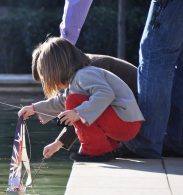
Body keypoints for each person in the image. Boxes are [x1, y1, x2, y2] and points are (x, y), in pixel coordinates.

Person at [59, 0, 183, 158]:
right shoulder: (87, 70)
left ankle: (145, 144)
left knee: (156, 57)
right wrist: (35, 109)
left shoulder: (86, 74)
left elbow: (92, 100)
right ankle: (177, 140)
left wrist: (64, 43)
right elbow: (61, 104)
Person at [18, 37, 144, 162]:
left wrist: (78, 112)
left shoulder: (85, 74)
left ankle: (95, 151)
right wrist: (34, 109)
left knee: (73, 102)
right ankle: (110, 148)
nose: (52, 84)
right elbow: (61, 101)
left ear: (57, 69)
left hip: (126, 122)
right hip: (126, 121)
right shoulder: (79, 76)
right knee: (72, 102)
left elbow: (104, 94)